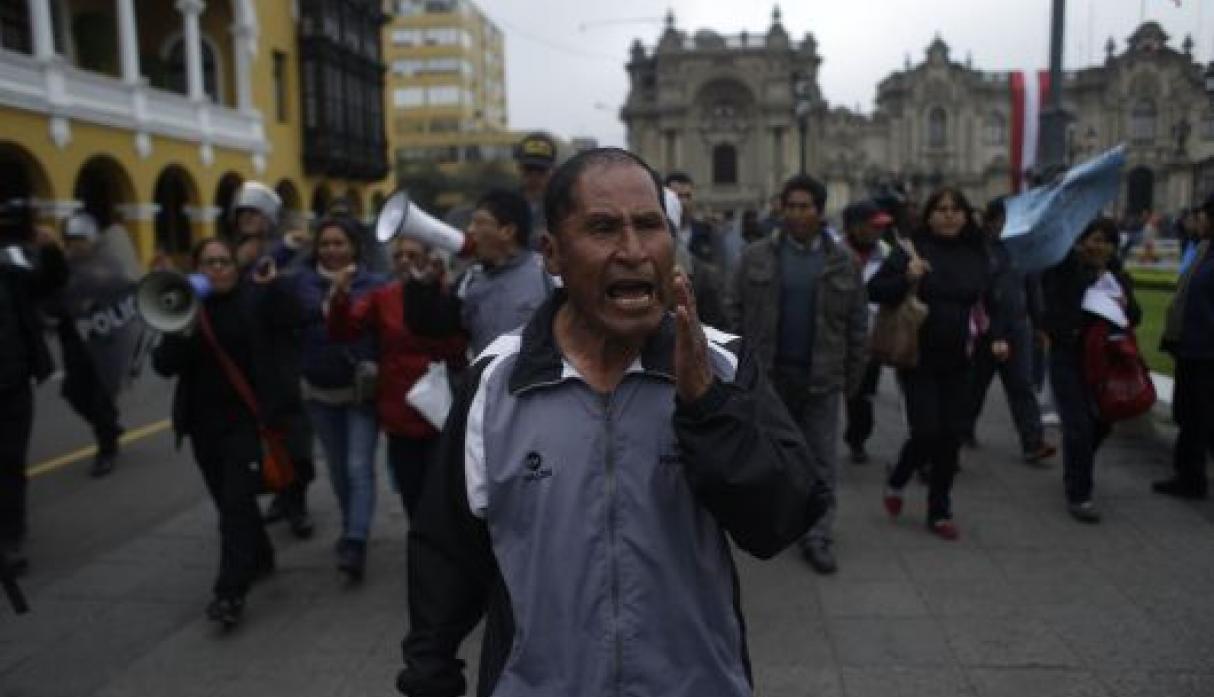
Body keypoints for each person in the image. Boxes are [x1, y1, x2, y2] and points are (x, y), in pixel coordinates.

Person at [395, 148, 825, 697]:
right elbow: (446, 548)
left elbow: (782, 519)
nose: (632, 250)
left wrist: (710, 411)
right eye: (602, 228)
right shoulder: (496, 383)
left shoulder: (721, 364)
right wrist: (430, 673)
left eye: (650, 225)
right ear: (551, 254)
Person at [152, 237, 299, 626]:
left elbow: (292, 323)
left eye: (224, 261)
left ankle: (229, 593)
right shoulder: (187, 311)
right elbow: (164, 367)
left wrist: (276, 287)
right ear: (197, 270)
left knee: (233, 507)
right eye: (209, 263)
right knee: (228, 501)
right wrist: (181, 327)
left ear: (236, 267)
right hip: (203, 428)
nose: (217, 269)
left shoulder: (253, 301)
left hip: (246, 425)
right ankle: (263, 555)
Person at [728, 175, 869, 574]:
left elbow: (858, 325)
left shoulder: (842, 261)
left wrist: (853, 379)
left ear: (819, 212)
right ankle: (778, 523)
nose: (796, 213)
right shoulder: (755, 256)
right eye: (790, 206)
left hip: (822, 378)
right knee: (772, 456)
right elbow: (732, 310)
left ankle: (818, 534)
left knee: (821, 459)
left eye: (805, 206)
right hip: (770, 377)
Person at [869, 187, 1009, 540]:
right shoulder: (911, 251)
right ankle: (900, 475)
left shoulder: (977, 253)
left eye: (956, 209)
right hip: (918, 358)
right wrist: (907, 278)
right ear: (928, 215)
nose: (948, 215)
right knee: (927, 431)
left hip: (962, 360)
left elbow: (990, 304)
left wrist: (998, 338)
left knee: (951, 437)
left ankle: (940, 509)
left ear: (966, 216)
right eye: (941, 209)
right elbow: (875, 290)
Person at [326, 234, 467, 521]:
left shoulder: (447, 292)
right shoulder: (383, 297)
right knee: (413, 495)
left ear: (428, 260)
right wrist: (340, 298)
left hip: (442, 409)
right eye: (398, 256)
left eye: (412, 256)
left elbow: (458, 346)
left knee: (448, 496)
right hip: (401, 410)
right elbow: (345, 331)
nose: (404, 261)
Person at [292, 217, 386, 580]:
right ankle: (351, 523)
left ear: (355, 248)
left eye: (339, 243)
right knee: (336, 470)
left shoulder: (375, 285)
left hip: (360, 393)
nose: (332, 250)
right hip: (319, 394)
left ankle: (356, 540)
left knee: (359, 466)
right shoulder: (303, 283)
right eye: (325, 244)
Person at [229, 181, 316, 539]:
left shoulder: (291, 252)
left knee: (295, 438)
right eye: (243, 214)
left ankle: (297, 502)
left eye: (254, 213)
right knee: (265, 437)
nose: (248, 219)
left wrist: (273, 267)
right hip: (249, 360)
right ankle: (281, 495)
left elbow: (297, 302)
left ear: (269, 216)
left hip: (284, 357)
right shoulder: (233, 257)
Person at [1041, 217, 1141, 522]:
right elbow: (1051, 310)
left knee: (1102, 424)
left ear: (1113, 247)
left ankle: (1076, 463)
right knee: (1079, 426)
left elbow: (1133, 316)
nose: (1096, 246)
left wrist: (1124, 303)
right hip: (1068, 357)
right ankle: (1080, 494)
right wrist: (1089, 279)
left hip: (1104, 362)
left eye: (1104, 241)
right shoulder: (1064, 269)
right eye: (1091, 239)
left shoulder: (1118, 277)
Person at [0, 201, 68, 574]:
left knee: (10, 461)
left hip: (12, 380)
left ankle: (11, 538)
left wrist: (51, 249)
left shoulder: (14, 262)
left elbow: (49, 282)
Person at [963, 197, 1056, 463]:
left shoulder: (1022, 250)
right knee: (975, 386)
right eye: (1004, 219)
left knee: (1022, 386)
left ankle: (1033, 442)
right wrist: (994, 335)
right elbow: (983, 295)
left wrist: (1039, 325)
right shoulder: (980, 251)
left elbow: (1032, 289)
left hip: (1018, 327)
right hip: (987, 329)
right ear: (992, 221)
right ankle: (963, 429)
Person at [53, 212, 128, 476]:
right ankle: (108, 426)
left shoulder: (106, 263)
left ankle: (106, 448)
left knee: (100, 397)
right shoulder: (62, 267)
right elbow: (51, 298)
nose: (75, 245)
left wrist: (99, 290)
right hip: (74, 342)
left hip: (103, 340)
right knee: (73, 392)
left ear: (91, 240)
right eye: (70, 240)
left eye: (80, 239)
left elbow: (124, 287)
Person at [1155, 193, 1214, 500]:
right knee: (1188, 414)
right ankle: (1186, 472)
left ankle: (1191, 478)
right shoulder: (1203, 248)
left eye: (1203, 215)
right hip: (1189, 346)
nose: (1197, 220)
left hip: (1205, 350)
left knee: (1197, 417)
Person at [452, 189, 554, 356]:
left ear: (507, 231)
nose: (470, 230)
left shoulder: (546, 273)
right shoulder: (470, 280)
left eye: (480, 222)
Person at [839, 199, 894, 465]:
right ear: (855, 227)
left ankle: (857, 437)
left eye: (881, 227)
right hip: (836, 334)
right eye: (873, 226)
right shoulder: (835, 253)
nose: (878, 231)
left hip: (871, 335)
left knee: (862, 393)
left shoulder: (887, 253)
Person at [665, 172, 728, 327]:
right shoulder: (658, 237)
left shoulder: (709, 233)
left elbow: (721, 274)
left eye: (688, 196)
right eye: (678, 196)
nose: (684, 202)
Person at [515, 131, 557, 249]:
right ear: (519, 169)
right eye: (529, 169)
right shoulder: (505, 206)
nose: (534, 176)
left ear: (552, 171)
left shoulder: (563, 207)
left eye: (541, 170)